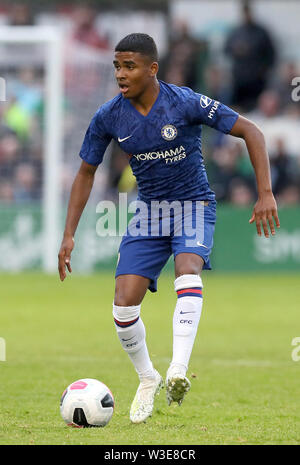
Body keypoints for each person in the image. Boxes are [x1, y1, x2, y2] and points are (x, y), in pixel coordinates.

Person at [58, 33, 280, 424]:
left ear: (152, 68)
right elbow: (85, 172)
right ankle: (148, 376)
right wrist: (68, 234)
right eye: (117, 67)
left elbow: (252, 131)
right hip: (149, 212)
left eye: (129, 66)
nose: (120, 75)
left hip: (193, 204)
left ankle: (178, 368)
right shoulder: (109, 115)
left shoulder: (184, 102)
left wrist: (265, 193)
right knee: (123, 305)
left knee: (187, 269)